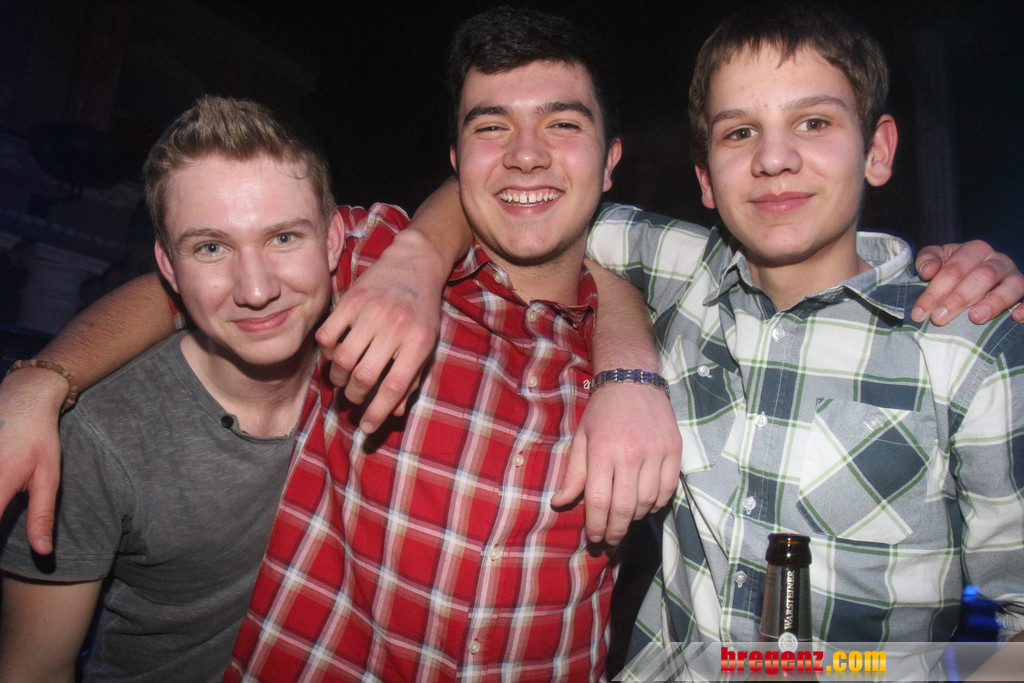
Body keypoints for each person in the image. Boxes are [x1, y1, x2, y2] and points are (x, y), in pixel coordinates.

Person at [578, 4, 1024, 678]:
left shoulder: (968, 348)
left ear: (877, 150)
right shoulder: (686, 275)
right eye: (740, 132)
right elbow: (524, 202)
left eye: (814, 122)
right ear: (706, 177)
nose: (774, 158)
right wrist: (625, 366)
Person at [0, 95, 347, 680]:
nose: (256, 289)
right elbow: (33, 670)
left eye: (284, 238)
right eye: (211, 247)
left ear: (334, 239)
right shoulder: (96, 439)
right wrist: (35, 382)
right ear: (168, 265)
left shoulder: (377, 360)